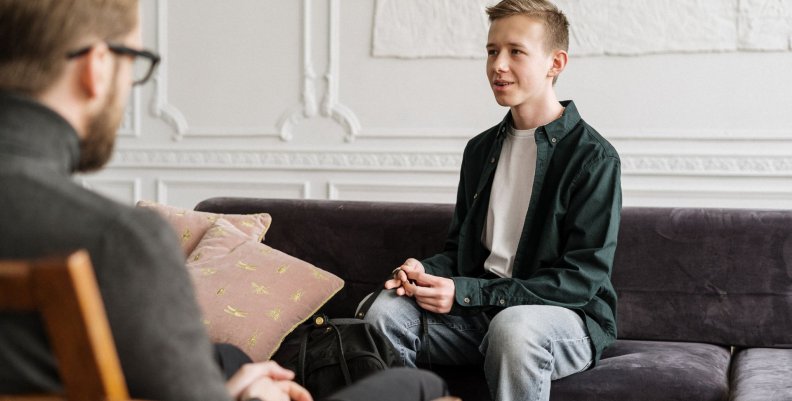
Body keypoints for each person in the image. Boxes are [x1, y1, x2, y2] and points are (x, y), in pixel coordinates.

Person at [0, 1, 449, 400]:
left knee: (229, 359)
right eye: (133, 61)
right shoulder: (120, 241)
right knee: (419, 386)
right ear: (96, 67)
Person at [363, 1, 622, 400]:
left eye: (516, 52)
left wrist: (468, 293)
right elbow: (461, 252)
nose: (498, 65)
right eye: (491, 51)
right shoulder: (480, 150)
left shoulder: (593, 158)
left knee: (514, 328)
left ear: (556, 63)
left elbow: (580, 280)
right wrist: (423, 270)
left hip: (565, 322)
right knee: (383, 312)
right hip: (481, 315)